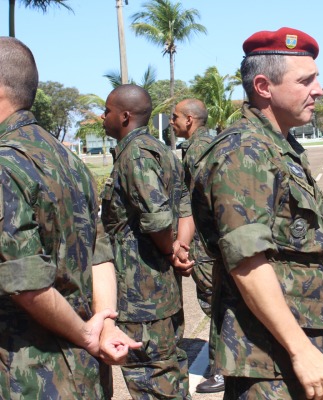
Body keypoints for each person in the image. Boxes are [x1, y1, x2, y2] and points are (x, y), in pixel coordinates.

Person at [191, 27, 323, 399]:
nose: (318, 89)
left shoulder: (281, 148)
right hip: (267, 360)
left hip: (293, 345)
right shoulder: (245, 153)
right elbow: (247, 264)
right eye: (305, 81)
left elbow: (305, 252)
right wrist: (301, 349)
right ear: (263, 86)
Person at [0, 37, 141, 398]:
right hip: (82, 375)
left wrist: (89, 335)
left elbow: (26, 283)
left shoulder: (5, 164)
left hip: (27, 376)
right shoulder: (66, 159)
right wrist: (105, 321)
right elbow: (99, 250)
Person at [100, 84, 195, 399]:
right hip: (160, 288)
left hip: (142, 294)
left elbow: (156, 218)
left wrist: (171, 252)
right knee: (169, 373)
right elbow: (184, 209)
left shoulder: (136, 154)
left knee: (152, 379)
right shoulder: (161, 150)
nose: (103, 117)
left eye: (107, 111)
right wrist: (179, 248)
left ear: (125, 116)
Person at [170, 98, 224, 393]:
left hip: (207, 244)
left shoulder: (196, 150)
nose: (171, 122)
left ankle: (222, 369)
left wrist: (186, 242)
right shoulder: (208, 143)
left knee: (215, 305)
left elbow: (194, 203)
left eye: (175, 117)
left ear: (189, 120)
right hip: (213, 241)